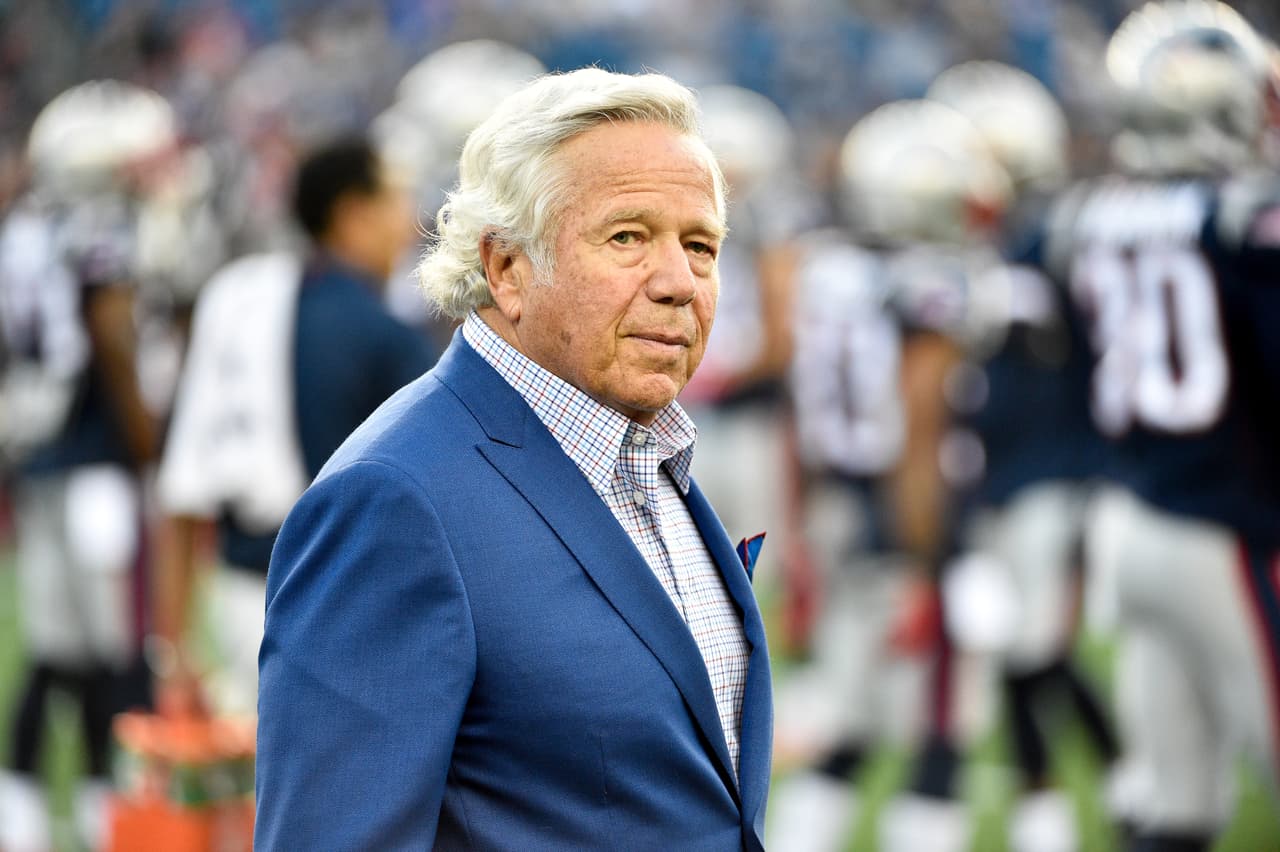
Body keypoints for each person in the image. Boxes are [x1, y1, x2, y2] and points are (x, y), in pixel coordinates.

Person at [255, 69, 773, 850]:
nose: (677, 283)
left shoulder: (644, 450)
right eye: (627, 236)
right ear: (506, 268)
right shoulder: (393, 500)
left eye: (699, 246)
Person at [1038, 3, 1280, 849]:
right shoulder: (1248, 218)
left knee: (1176, 813)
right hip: (1229, 531)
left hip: (1132, 522)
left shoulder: (1084, 218)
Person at [153, 136, 438, 717]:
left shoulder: (241, 297)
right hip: (349, 606)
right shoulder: (384, 335)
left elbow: (184, 486)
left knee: (265, 793)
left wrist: (173, 649)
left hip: (238, 597)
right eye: (394, 202)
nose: (409, 226)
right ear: (353, 215)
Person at [0, 80, 172, 852]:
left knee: (56, 651)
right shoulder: (93, 231)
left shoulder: (23, 229)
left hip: (41, 466)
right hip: (98, 470)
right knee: (120, 653)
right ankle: (114, 815)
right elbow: (108, 329)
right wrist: (149, 442)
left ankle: (24, 809)